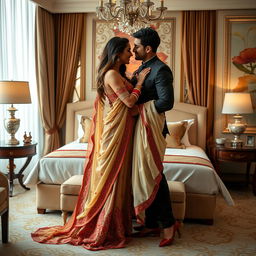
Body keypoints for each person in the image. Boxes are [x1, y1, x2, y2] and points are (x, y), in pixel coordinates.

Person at [31, 37, 150, 250]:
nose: (130, 54)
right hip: (115, 133)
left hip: (123, 131)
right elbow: (129, 102)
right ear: (116, 53)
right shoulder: (112, 74)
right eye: (127, 51)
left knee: (119, 175)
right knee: (111, 176)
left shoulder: (117, 74)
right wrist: (140, 83)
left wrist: (135, 80)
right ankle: (104, 223)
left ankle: (117, 222)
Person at [131, 27, 180, 247]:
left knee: (155, 175)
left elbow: (166, 102)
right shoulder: (143, 67)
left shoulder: (160, 70)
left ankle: (169, 224)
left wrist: (140, 109)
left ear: (148, 48)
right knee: (144, 174)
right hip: (140, 128)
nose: (133, 48)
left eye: (137, 45)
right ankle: (150, 222)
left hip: (151, 128)